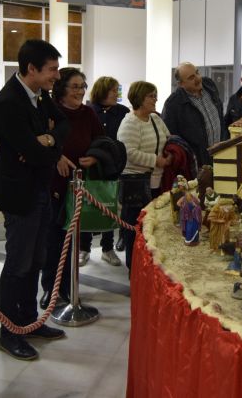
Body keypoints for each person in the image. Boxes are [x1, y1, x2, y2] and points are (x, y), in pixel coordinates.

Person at [0, 39, 69, 361]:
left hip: (40, 188)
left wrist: (48, 140)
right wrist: (44, 150)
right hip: (19, 193)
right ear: (32, 69)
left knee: (36, 260)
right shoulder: (8, 102)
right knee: (18, 264)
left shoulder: (42, 96)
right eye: (52, 69)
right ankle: (9, 332)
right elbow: (32, 153)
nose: (57, 76)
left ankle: (28, 322)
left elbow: (63, 127)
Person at [39, 67, 105, 310]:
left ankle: (69, 289)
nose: (79, 91)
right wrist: (56, 157)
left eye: (82, 87)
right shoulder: (50, 111)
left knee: (73, 242)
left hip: (81, 187)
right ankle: (50, 289)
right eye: (74, 86)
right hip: (54, 186)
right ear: (62, 89)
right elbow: (41, 140)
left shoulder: (88, 114)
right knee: (53, 241)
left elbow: (102, 140)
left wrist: (96, 156)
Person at [117, 80, 171, 270]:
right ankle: (134, 270)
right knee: (135, 230)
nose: (155, 99)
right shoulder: (130, 122)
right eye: (151, 96)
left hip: (156, 181)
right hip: (136, 184)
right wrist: (155, 160)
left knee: (153, 229)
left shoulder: (156, 119)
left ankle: (149, 269)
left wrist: (172, 152)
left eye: (155, 95)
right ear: (139, 98)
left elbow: (168, 137)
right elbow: (128, 152)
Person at [89, 75, 129, 254]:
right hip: (92, 166)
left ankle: (107, 248)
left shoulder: (123, 112)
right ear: (103, 91)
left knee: (109, 206)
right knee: (88, 207)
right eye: (113, 90)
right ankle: (84, 248)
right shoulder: (89, 110)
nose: (116, 94)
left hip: (113, 167)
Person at [162, 62, 228, 167]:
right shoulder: (173, 104)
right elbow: (171, 139)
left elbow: (220, 116)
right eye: (191, 77)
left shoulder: (209, 85)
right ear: (181, 84)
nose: (197, 78)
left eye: (197, 73)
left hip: (219, 156)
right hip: (195, 163)